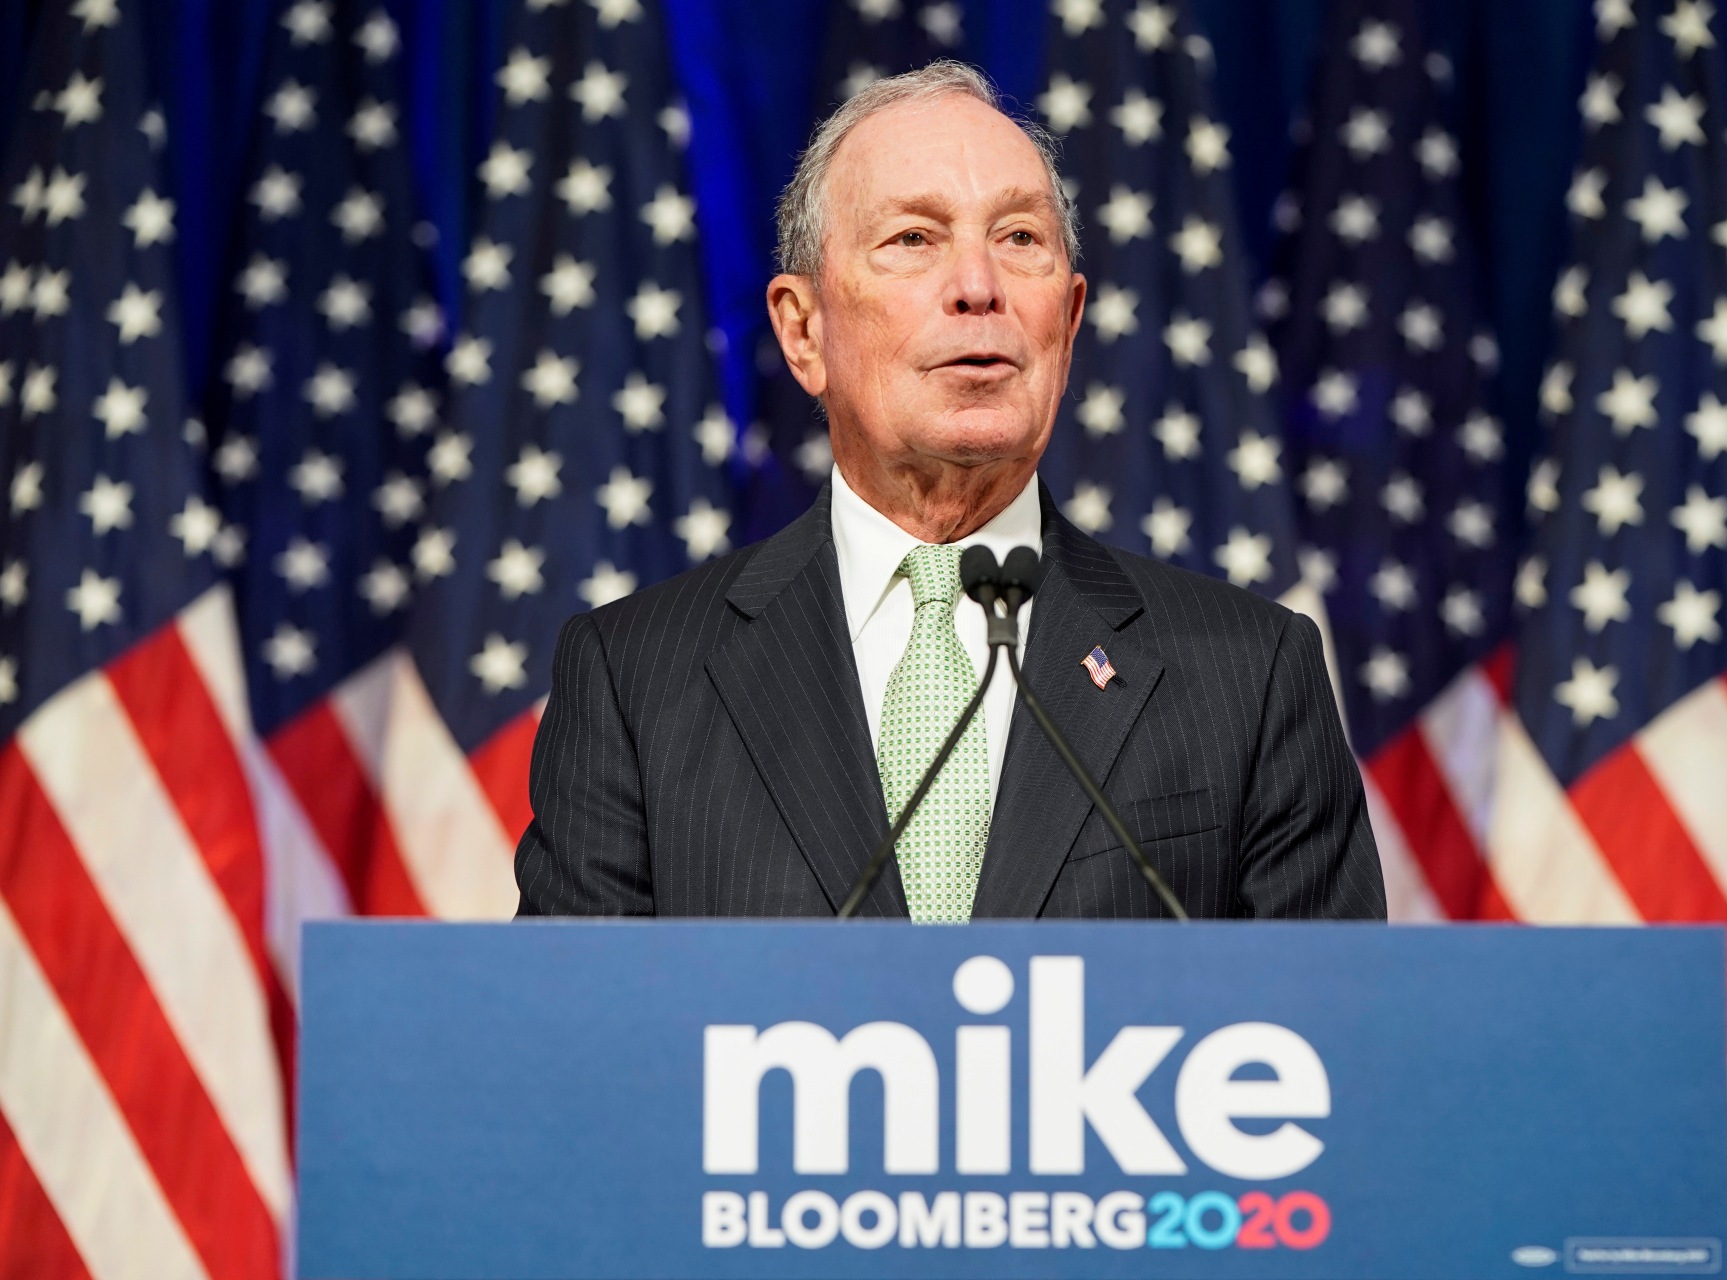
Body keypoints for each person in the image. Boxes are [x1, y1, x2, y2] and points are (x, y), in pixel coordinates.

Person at [514, 62, 1385, 921]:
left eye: (1019, 239)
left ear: (1070, 322)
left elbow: (1327, 1046)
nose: (979, 288)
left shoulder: (1253, 676)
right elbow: (574, 1048)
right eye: (913, 240)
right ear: (804, 329)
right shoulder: (632, 682)